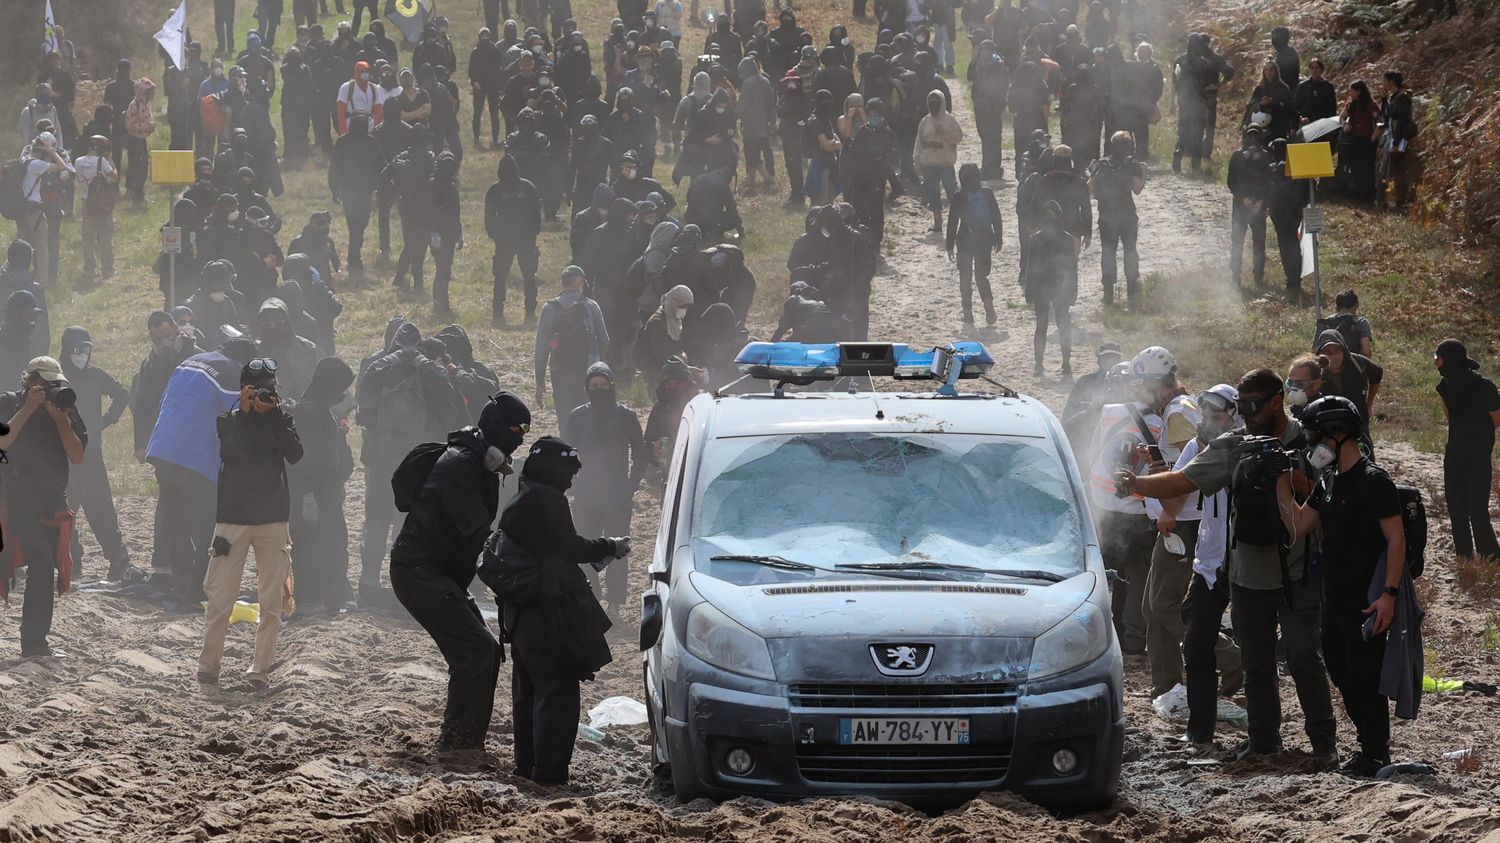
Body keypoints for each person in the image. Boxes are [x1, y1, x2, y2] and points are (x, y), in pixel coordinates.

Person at [1118, 368, 1339, 766]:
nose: (1246, 412)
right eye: (1241, 404)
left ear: (1276, 400)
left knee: (1304, 657)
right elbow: (1184, 480)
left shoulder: (1307, 442)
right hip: (1245, 572)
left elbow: (1330, 495)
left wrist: (1291, 476)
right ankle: (1263, 743)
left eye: (1252, 404)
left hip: (1298, 570)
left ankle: (1324, 746)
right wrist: (1137, 484)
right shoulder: (1234, 446)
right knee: (1255, 661)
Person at [1273, 395, 1416, 776]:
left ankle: (1376, 752)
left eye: (1317, 436)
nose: (1312, 445)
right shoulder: (1329, 480)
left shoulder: (1374, 482)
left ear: (1337, 435)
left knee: (1364, 674)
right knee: (1339, 668)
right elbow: (1300, 525)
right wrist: (1281, 484)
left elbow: (1396, 540)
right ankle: (1369, 745)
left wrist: (1389, 596)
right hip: (1333, 595)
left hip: (1366, 597)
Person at [393, 393, 532, 750]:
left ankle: (466, 740)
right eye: (517, 430)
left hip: (437, 573)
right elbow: (476, 532)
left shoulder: (478, 465)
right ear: (498, 430)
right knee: (476, 652)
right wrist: (516, 570)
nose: (519, 440)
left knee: (485, 652)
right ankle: (459, 744)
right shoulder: (460, 465)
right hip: (419, 571)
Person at [482, 436, 625, 783]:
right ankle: (548, 774)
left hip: (521, 612)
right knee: (557, 690)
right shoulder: (547, 498)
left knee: (528, 690)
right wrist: (611, 546)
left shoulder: (523, 494)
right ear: (553, 468)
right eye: (569, 471)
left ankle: (527, 766)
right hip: (545, 612)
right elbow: (569, 546)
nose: (572, 480)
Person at [196, 358, 302, 692]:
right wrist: (244, 413)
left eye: (267, 388)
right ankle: (208, 666)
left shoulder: (281, 418)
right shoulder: (228, 420)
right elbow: (230, 452)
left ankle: (259, 671)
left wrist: (272, 417)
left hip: (272, 518)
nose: (262, 394)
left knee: (271, 603)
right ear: (242, 389)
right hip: (233, 519)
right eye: (254, 388)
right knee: (219, 597)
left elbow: (296, 454)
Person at [357, 321, 464, 606]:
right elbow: (449, 406)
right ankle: (403, 584)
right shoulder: (430, 370)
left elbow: (363, 414)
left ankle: (368, 581)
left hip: (382, 458)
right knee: (408, 522)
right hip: (418, 458)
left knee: (376, 520)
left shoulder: (377, 369)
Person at [0, 357, 87, 658]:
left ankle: (35, 642)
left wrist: (60, 419)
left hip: (51, 500)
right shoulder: (9, 402)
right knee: (39, 563)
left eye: (56, 384)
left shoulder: (64, 406)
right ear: (30, 381)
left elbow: (77, 455)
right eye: (46, 384)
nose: (52, 389)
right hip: (17, 499)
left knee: (46, 566)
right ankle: (34, 643)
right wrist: (29, 408)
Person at [1175, 384, 1245, 745]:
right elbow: (1177, 485)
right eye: (1206, 416)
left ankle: (1265, 735)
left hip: (1245, 564)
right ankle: (1199, 729)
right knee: (1196, 642)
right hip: (1208, 564)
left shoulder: (1246, 450)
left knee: (1258, 647)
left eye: (1217, 416)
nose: (1209, 423)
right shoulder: (1198, 447)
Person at [562, 363, 646, 618]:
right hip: (586, 496)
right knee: (585, 549)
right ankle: (592, 597)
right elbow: (565, 453)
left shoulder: (626, 416)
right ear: (587, 387)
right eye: (593, 385)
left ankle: (615, 603)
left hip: (617, 496)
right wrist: (572, 484)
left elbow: (640, 454)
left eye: (603, 384)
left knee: (617, 551)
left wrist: (631, 486)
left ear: (611, 385)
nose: (598, 389)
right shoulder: (578, 416)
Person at [57, 327, 130, 582]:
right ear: (67, 350)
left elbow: (122, 393)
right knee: (66, 513)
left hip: (92, 456)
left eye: (87, 349)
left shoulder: (95, 375)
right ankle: (72, 562)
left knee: (102, 511)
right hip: (63, 459)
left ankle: (118, 561)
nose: (82, 355)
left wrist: (106, 420)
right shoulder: (57, 377)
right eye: (78, 349)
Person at [286, 357, 356, 611]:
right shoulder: (308, 412)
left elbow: (333, 457)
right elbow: (304, 461)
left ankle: (334, 596)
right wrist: (306, 496)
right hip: (312, 495)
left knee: (334, 543)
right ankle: (311, 599)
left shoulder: (321, 410)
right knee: (310, 546)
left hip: (326, 494)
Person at [1435, 340, 1500, 561]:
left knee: (1477, 508)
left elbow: (1497, 419)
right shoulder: (1444, 386)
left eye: (1439, 358)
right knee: (1456, 508)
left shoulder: (1485, 386)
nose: (1436, 363)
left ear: (1450, 359)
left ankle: (1490, 557)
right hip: (1454, 453)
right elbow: (1450, 418)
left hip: (1478, 455)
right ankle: (1464, 557)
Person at [535, 266, 610, 415]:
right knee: (589, 417)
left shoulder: (549, 309)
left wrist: (540, 382)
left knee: (565, 416)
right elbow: (605, 341)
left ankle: (566, 438)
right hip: (589, 370)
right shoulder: (591, 306)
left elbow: (541, 348)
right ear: (579, 282)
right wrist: (599, 366)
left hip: (560, 369)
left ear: (563, 283)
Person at [1088, 131, 1146, 308]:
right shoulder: (1133, 165)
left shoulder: (1100, 164)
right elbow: (1137, 189)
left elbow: (1089, 188)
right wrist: (1143, 173)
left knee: (1108, 253)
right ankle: (1132, 291)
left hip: (1106, 215)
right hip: (1127, 214)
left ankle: (1108, 293)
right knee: (1130, 251)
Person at [486, 154, 544, 327]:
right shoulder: (496, 191)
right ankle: (498, 312)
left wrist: (529, 236)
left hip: (523, 240)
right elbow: (489, 220)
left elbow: (536, 218)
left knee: (527, 276)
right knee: (502, 277)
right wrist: (499, 237)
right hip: (506, 240)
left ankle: (528, 311)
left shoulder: (527, 189)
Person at [944, 164, 1001, 326]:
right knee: (982, 275)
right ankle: (988, 304)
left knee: (965, 277)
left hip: (965, 240)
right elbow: (996, 216)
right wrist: (999, 238)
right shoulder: (987, 193)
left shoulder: (959, 196)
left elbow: (952, 221)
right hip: (985, 238)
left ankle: (968, 312)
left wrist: (949, 244)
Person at [17, 135, 69, 292]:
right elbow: (62, 166)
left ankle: (20, 280)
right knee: (41, 247)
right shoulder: (36, 164)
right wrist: (52, 152)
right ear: (42, 150)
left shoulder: (23, 160)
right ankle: (42, 283)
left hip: (20, 211)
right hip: (35, 211)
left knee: (23, 246)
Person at [1313, 329, 1383, 430]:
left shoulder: (1358, 363)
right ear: (1320, 354)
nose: (1333, 356)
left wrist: (1369, 403)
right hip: (1328, 422)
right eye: (1327, 351)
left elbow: (1377, 374)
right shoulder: (1315, 370)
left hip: (1358, 419)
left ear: (1344, 350)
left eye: (1337, 350)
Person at [1227, 126, 1270, 289]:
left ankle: (1258, 274)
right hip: (1240, 206)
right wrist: (1243, 198)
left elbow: (1269, 181)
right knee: (1237, 241)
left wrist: (1261, 201)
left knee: (1259, 242)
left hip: (1258, 207)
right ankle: (1235, 274)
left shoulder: (1265, 157)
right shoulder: (1237, 157)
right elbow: (1231, 181)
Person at [73, 136, 118, 289]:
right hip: (102, 203)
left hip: (86, 202)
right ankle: (108, 270)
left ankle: (90, 269)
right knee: (105, 235)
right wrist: (111, 160)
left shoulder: (78, 162)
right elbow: (114, 177)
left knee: (88, 237)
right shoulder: (102, 162)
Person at [915, 90, 962, 232]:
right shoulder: (925, 121)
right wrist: (917, 160)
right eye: (931, 102)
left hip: (945, 164)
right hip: (929, 164)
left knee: (952, 193)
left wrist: (945, 132)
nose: (933, 105)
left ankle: (957, 220)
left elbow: (958, 138)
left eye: (936, 102)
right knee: (933, 194)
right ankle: (937, 221)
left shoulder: (950, 120)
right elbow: (919, 143)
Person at [429, 152, 463, 317]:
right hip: (438, 235)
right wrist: (434, 233)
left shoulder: (451, 188)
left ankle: (440, 300)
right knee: (442, 269)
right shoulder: (433, 187)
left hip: (448, 235)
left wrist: (459, 234)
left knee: (444, 268)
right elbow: (430, 213)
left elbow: (456, 214)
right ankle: (441, 302)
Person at [737, 57, 778, 193]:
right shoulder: (765, 81)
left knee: (751, 153)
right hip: (763, 123)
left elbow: (743, 105)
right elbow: (771, 103)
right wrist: (772, 121)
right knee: (764, 150)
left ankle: (765, 178)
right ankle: (752, 179)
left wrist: (738, 118)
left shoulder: (747, 83)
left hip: (750, 123)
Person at [1378, 70, 1416, 209]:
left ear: (1391, 82)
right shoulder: (1392, 97)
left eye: (1384, 81)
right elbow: (1386, 115)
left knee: (1397, 168)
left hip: (1399, 138)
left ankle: (1401, 200)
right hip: (1392, 136)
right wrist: (1383, 100)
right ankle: (1391, 198)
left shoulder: (1402, 98)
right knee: (1391, 168)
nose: (1383, 84)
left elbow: (1400, 120)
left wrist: (1395, 142)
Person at [1338, 82, 1378, 204]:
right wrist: (1345, 124)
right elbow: (1341, 117)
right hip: (1354, 139)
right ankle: (1359, 192)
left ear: (1359, 91)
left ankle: (1369, 194)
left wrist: (1373, 138)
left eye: (1352, 91)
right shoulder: (1351, 105)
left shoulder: (1372, 105)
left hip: (1368, 139)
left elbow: (1379, 121)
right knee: (1356, 166)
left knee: (1367, 167)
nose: (1350, 94)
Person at [1243, 59, 1295, 142]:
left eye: (1271, 69)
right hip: (1260, 126)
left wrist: (1273, 102)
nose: (1269, 72)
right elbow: (1251, 105)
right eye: (1266, 69)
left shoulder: (1283, 88)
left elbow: (1289, 107)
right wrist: (1260, 103)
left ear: (1276, 71)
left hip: (1278, 125)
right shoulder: (1259, 88)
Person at [1294, 57, 1337, 124]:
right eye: (1312, 68)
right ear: (1309, 70)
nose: (1314, 70)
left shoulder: (1328, 87)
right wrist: (1300, 118)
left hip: (1324, 124)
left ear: (1321, 69)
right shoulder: (1302, 86)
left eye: (1317, 67)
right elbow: (1295, 106)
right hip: (1306, 123)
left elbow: (1332, 109)